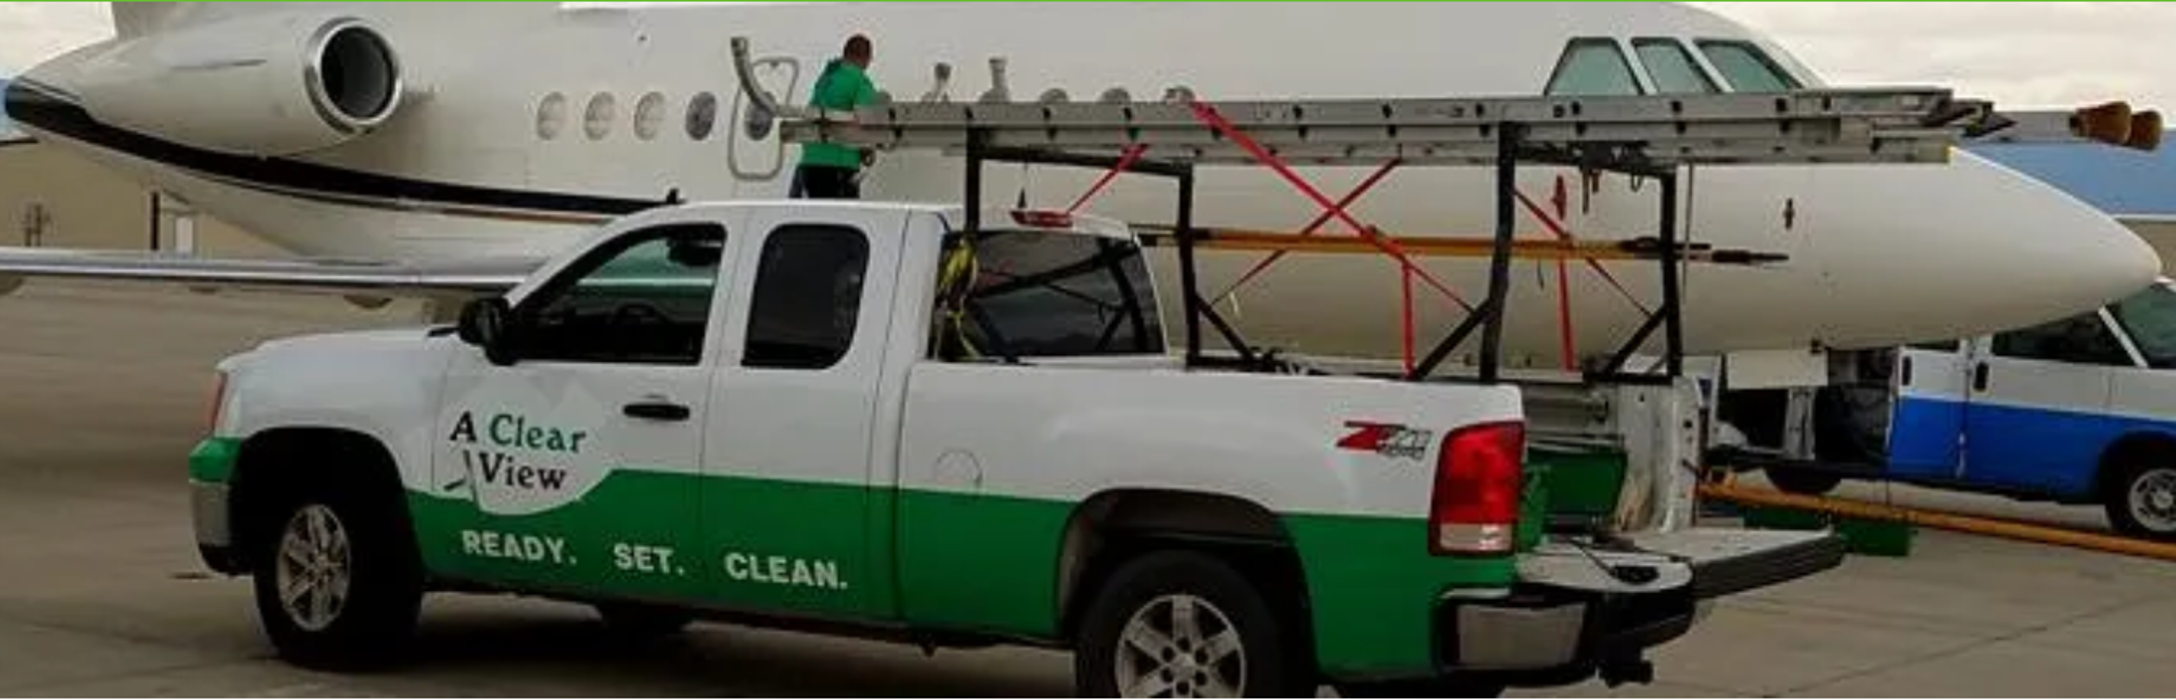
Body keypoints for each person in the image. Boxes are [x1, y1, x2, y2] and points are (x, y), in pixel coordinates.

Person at [791, 34, 881, 200]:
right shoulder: (861, 82)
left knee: (815, 218)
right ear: (866, 58)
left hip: (810, 163)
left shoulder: (825, 79)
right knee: (840, 218)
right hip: (840, 165)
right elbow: (865, 122)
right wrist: (869, 151)